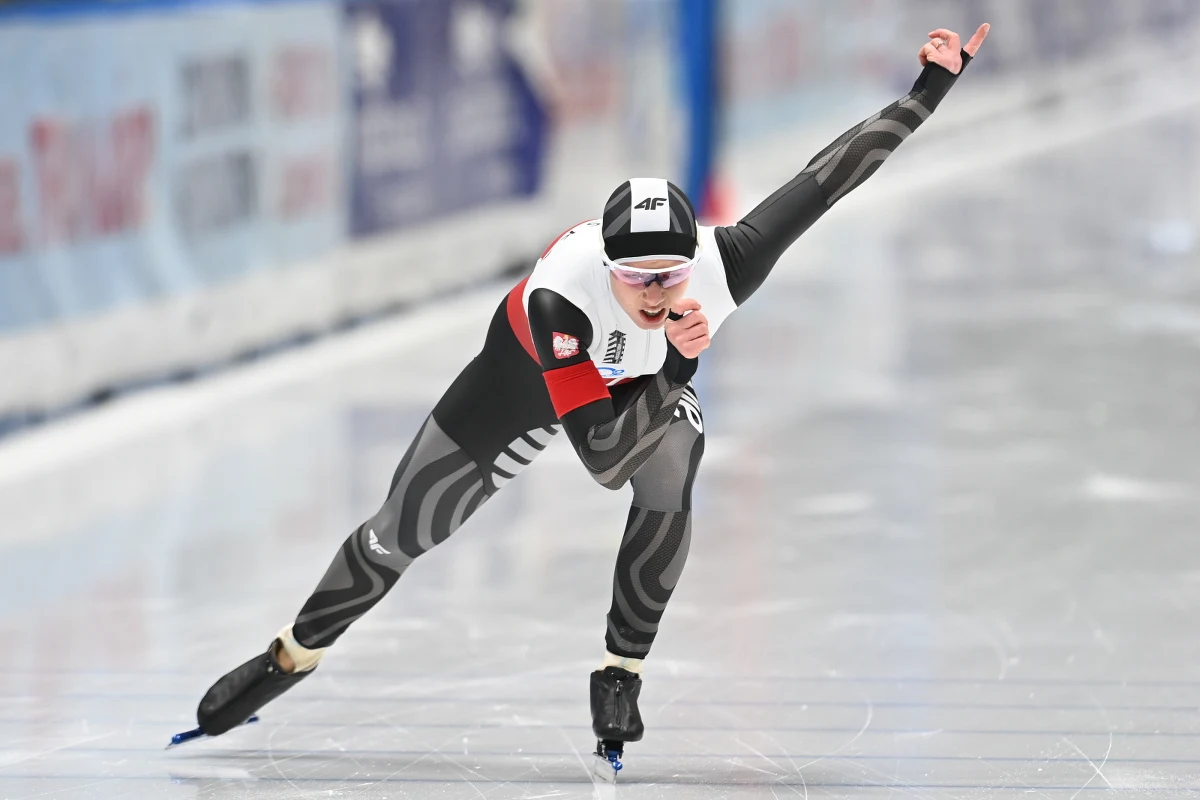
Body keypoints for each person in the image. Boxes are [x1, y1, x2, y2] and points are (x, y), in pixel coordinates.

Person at [183, 23, 990, 766]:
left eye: (669, 275)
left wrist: (926, 91)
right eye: (637, 279)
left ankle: (620, 672)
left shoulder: (727, 258)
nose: (653, 291)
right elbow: (601, 458)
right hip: (526, 388)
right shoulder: (559, 299)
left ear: (695, 257)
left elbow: (826, 181)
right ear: (606, 268)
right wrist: (677, 363)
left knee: (675, 449)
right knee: (401, 533)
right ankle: (287, 657)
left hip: (636, 393)